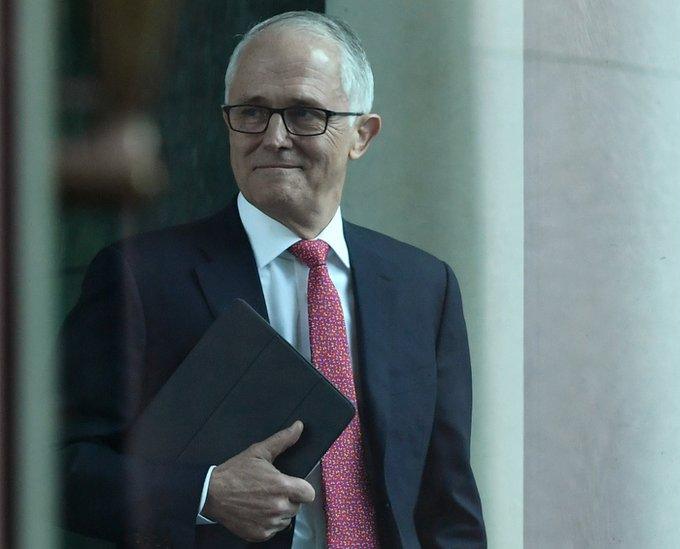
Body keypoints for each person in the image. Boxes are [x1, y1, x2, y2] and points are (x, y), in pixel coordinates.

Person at [60, 11, 486, 548]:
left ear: (362, 134)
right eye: (252, 112)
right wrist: (204, 492)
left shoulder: (424, 288)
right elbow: (53, 467)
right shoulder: (142, 278)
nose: (275, 137)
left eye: (306, 113)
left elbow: (446, 501)